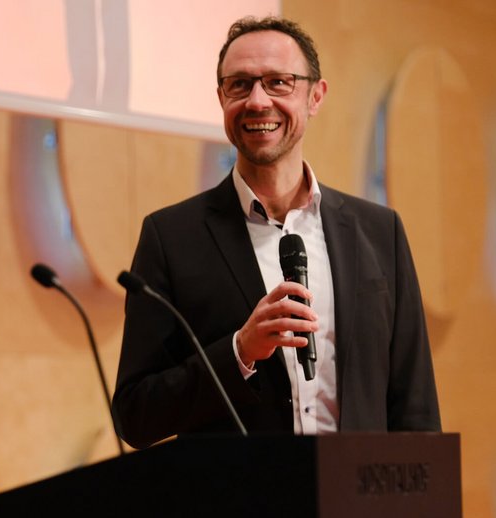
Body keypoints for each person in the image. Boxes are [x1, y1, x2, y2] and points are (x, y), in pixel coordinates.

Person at [112, 17, 440, 448]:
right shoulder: (171, 238)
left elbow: (415, 409)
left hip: (358, 490)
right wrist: (239, 351)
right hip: (240, 493)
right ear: (221, 98)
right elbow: (135, 415)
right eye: (239, 85)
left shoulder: (380, 232)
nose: (257, 101)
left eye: (278, 82)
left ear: (315, 96)